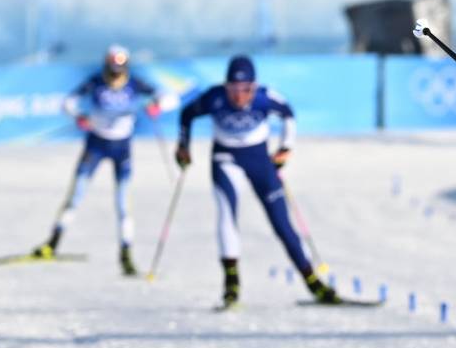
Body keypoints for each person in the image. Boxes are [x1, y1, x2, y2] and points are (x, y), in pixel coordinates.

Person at [176, 55, 339, 309]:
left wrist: (285, 148)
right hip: (225, 157)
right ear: (225, 85)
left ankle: (313, 282)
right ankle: (231, 286)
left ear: (254, 86)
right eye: (234, 89)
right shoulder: (214, 97)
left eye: (246, 89)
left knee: (282, 223)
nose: (240, 96)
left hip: (259, 159)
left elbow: (289, 115)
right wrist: (183, 146)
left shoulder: (265, 97)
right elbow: (186, 114)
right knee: (227, 216)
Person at [31, 44, 174, 276]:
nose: (115, 74)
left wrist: (157, 105)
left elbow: (169, 97)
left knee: (123, 204)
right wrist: (80, 117)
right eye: (112, 68)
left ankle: (126, 255)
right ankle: (52, 243)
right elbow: (68, 102)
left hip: (121, 148)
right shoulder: (96, 82)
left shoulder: (135, 84)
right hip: (96, 145)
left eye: (119, 69)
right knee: (75, 196)